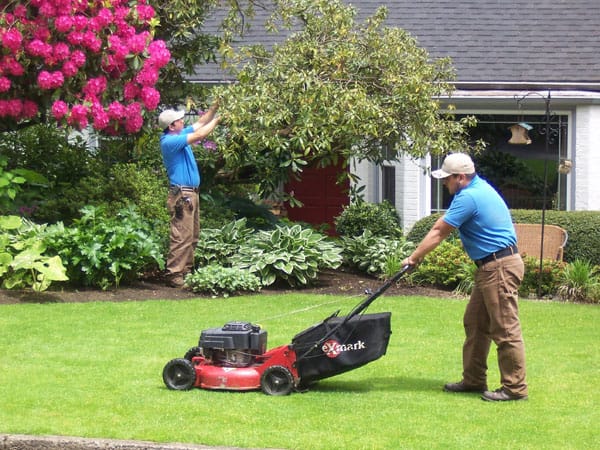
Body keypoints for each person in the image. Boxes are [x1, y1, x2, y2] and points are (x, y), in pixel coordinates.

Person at [402, 152, 528, 402]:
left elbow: (439, 231)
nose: (444, 184)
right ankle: (473, 380)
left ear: (460, 177)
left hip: (499, 267)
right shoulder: (478, 189)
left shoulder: (469, 196)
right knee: (476, 324)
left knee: (505, 328)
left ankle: (515, 389)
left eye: (447, 179)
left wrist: (413, 258)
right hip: (491, 267)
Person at [158, 103, 220, 288]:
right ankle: (175, 274)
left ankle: (185, 272)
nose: (183, 121)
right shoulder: (169, 141)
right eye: (179, 120)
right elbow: (201, 134)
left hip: (190, 193)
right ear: (171, 126)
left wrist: (215, 108)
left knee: (192, 235)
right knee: (182, 236)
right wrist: (218, 120)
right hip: (182, 195)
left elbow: (200, 123)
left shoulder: (179, 135)